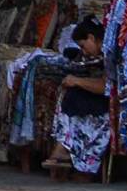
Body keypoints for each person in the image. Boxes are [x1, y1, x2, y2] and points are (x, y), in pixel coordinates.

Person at [42, 15, 112, 179]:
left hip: (113, 104)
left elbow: (106, 87)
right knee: (69, 95)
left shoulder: (111, 54)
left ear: (92, 38)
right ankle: (64, 147)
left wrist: (77, 81)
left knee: (73, 95)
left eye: (83, 45)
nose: (83, 51)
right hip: (102, 100)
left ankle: (64, 148)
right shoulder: (99, 56)